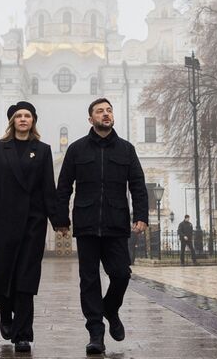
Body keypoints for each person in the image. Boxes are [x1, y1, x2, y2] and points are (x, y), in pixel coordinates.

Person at [55, 98, 148, 355]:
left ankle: (110, 308)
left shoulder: (126, 150)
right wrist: (61, 219)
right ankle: (96, 332)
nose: (105, 114)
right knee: (89, 280)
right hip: (86, 225)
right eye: (100, 111)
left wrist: (141, 215)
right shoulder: (76, 150)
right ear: (91, 119)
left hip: (116, 224)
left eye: (109, 111)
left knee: (121, 274)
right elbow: (64, 186)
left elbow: (138, 185)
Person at [0, 101, 59, 354]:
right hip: (2, 221)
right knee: (1, 275)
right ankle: (4, 311)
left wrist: (59, 221)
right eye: (18, 116)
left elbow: (48, 188)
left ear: (33, 121)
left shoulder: (43, 150)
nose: (23, 119)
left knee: (26, 278)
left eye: (27, 116)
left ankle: (23, 334)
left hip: (32, 223)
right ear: (12, 121)